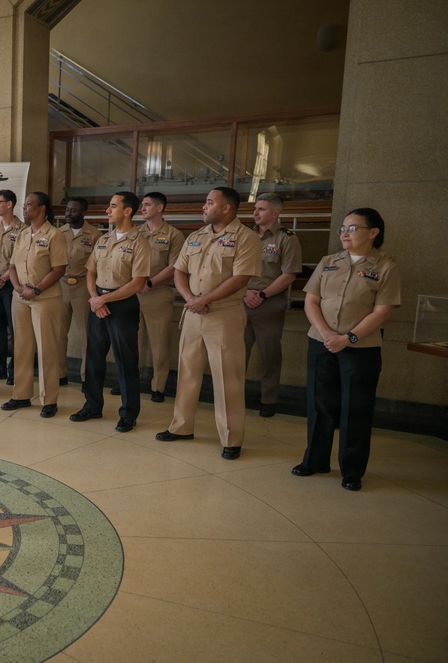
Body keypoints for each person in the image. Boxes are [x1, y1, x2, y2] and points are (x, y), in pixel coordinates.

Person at [295, 208, 400, 491]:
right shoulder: (329, 261)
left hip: (360, 348)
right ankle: (315, 460)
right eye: (343, 227)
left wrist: (348, 338)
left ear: (373, 232)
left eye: (352, 228)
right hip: (321, 343)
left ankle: (352, 471)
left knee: (356, 408)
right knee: (319, 403)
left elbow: (383, 311)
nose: (344, 232)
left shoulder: (385, 267)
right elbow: (311, 301)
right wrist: (328, 334)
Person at [155, 187, 260, 459]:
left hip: (223, 315)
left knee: (228, 377)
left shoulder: (245, 238)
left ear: (226, 208)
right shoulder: (196, 236)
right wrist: (190, 298)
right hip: (192, 313)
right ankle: (181, 427)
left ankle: (231, 438)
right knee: (187, 371)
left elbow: (240, 278)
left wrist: (205, 300)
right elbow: (179, 270)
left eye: (210, 202)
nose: (204, 206)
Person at [70, 192, 151, 432]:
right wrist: (96, 298)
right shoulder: (103, 239)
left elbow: (138, 282)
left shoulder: (139, 242)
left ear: (127, 211)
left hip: (122, 304)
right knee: (94, 357)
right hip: (99, 302)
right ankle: (92, 405)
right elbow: (90, 272)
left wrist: (105, 298)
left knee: (126, 361)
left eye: (113, 206)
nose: (107, 210)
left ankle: (128, 413)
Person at [2, 192, 68, 418]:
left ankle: (49, 400)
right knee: (21, 347)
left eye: (30, 204)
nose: (24, 208)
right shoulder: (22, 234)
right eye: (25, 204)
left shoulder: (54, 235)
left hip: (44, 299)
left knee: (47, 349)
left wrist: (36, 289)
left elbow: (59, 269)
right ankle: (20, 395)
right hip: (20, 297)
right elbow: (11, 266)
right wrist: (19, 288)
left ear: (42, 209)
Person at [243, 193, 303, 417]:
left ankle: (268, 400)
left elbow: (289, 275)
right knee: (236, 353)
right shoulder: (244, 235)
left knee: (270, 355)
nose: (255, 213)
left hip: (269, 304)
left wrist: (262, 295)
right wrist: (245, 293)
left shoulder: (286, 238)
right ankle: (232, 397)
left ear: (276, 213)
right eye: (255, 208)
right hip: (242, 299)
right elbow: (231, 270)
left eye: (262, 209)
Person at [135, 192, 184, 402]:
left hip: (158, 293)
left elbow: (175, 266)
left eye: (147, 205)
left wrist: (150, 282)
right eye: (142, 205)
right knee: (131, 341)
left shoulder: (173, 235)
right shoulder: (136, 233)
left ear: (160, 207)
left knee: (159, 343)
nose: (142, 209)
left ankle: (159, 387)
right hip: (134, 293)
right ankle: (129, 382)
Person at [58, 197, 103, 384]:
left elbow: (99, 264)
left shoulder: (94, 235)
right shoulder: (58, 233)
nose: (68, 213)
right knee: (58, 333)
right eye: (67, 209)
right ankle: (59, 374)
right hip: (60, 285)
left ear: (83, 212)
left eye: (73, 210)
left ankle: (87, 377)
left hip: (83, 286)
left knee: (86, 334)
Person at [0, 190, 24, 385]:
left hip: (13, 284)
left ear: (10, 204)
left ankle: (15, 369)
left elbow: (19, 260)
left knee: (16, 327)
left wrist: (5, 278)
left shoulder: (23, 230)